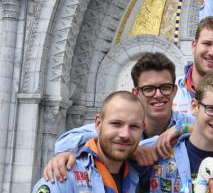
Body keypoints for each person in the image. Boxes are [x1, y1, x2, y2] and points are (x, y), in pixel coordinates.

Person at [43, 52, 190, 181]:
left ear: (174, 91)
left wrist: (182, 129)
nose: (158, 95)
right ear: (136, 93)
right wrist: (132, 149)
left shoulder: (186, 125)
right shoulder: (122, 130)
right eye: (149, 89)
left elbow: (209, 129)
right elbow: (64, 143)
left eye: (165, 87)